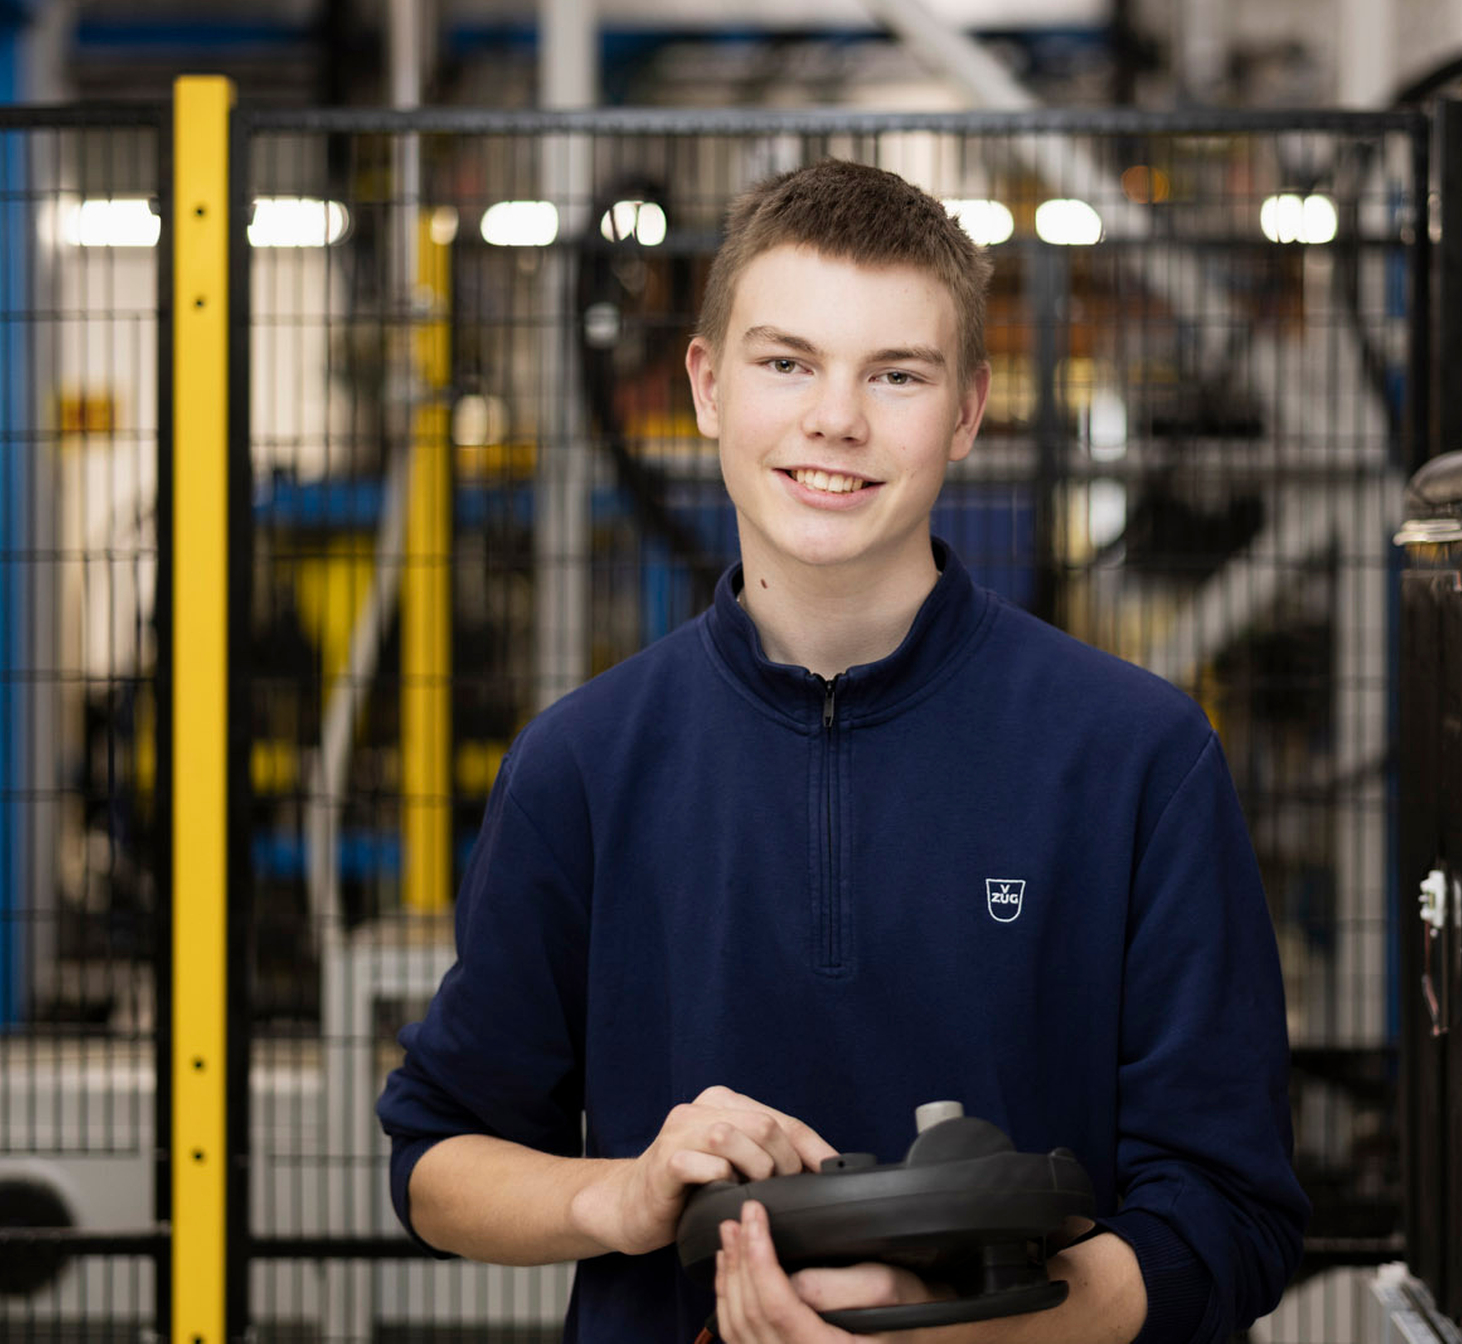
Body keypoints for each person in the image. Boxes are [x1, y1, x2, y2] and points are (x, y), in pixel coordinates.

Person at [377, 159, 1308, 1344]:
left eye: (897, 375)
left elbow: (1234, 1212)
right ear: (708, 385)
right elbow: (435, 1160)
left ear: (968, 410)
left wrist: (966, 1336)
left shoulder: (1138, 758)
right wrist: (621, 1191)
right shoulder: (582, 766)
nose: (836, 419)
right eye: (787, 363)